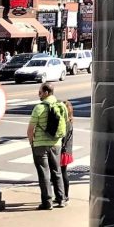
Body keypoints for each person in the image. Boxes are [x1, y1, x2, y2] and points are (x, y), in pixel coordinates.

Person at [27, 82, 67, 210]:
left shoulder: (39, 108)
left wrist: (32, 142)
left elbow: (30, 129)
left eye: (40, 92)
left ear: (46, 93)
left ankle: (47, 202)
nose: (38, 94)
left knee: (44, 173)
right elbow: (65, 122)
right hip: (56, 144)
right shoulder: (61, 106)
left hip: (40, 145)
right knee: (57, 171)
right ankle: (61, 199)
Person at [59, 100, 75, 201]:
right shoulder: (69, 121)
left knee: (62, 173)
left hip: (63, 151)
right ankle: (64, 194)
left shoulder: (66, 123)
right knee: (62, 172)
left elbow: (63, 137)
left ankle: (65, 195)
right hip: (66, 150)